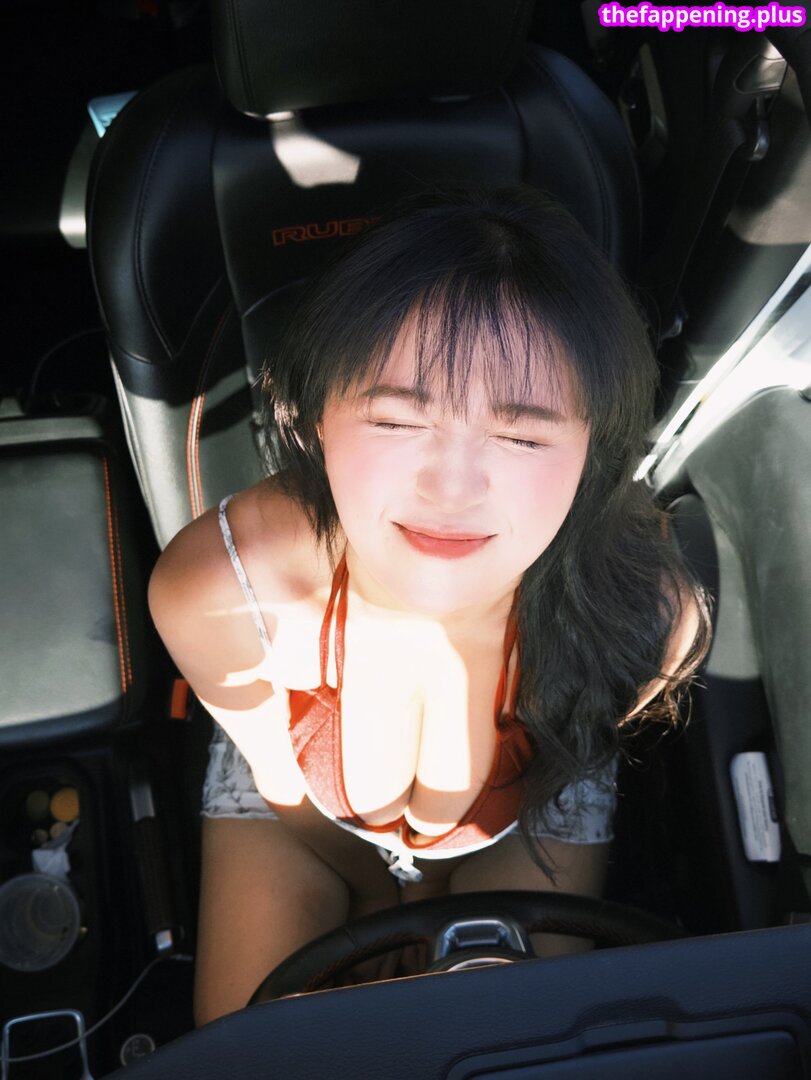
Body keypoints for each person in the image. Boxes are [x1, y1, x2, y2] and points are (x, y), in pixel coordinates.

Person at [147, 184, 710, 1027]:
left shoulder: (645, 620)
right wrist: (385, 906)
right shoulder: (225, 592)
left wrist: (427, 912)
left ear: (593, 449)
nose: (452, 489)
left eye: (521, 436)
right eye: (396, 422)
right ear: (311, 417)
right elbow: (286, 787)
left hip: (528, 820)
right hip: (300, 819)